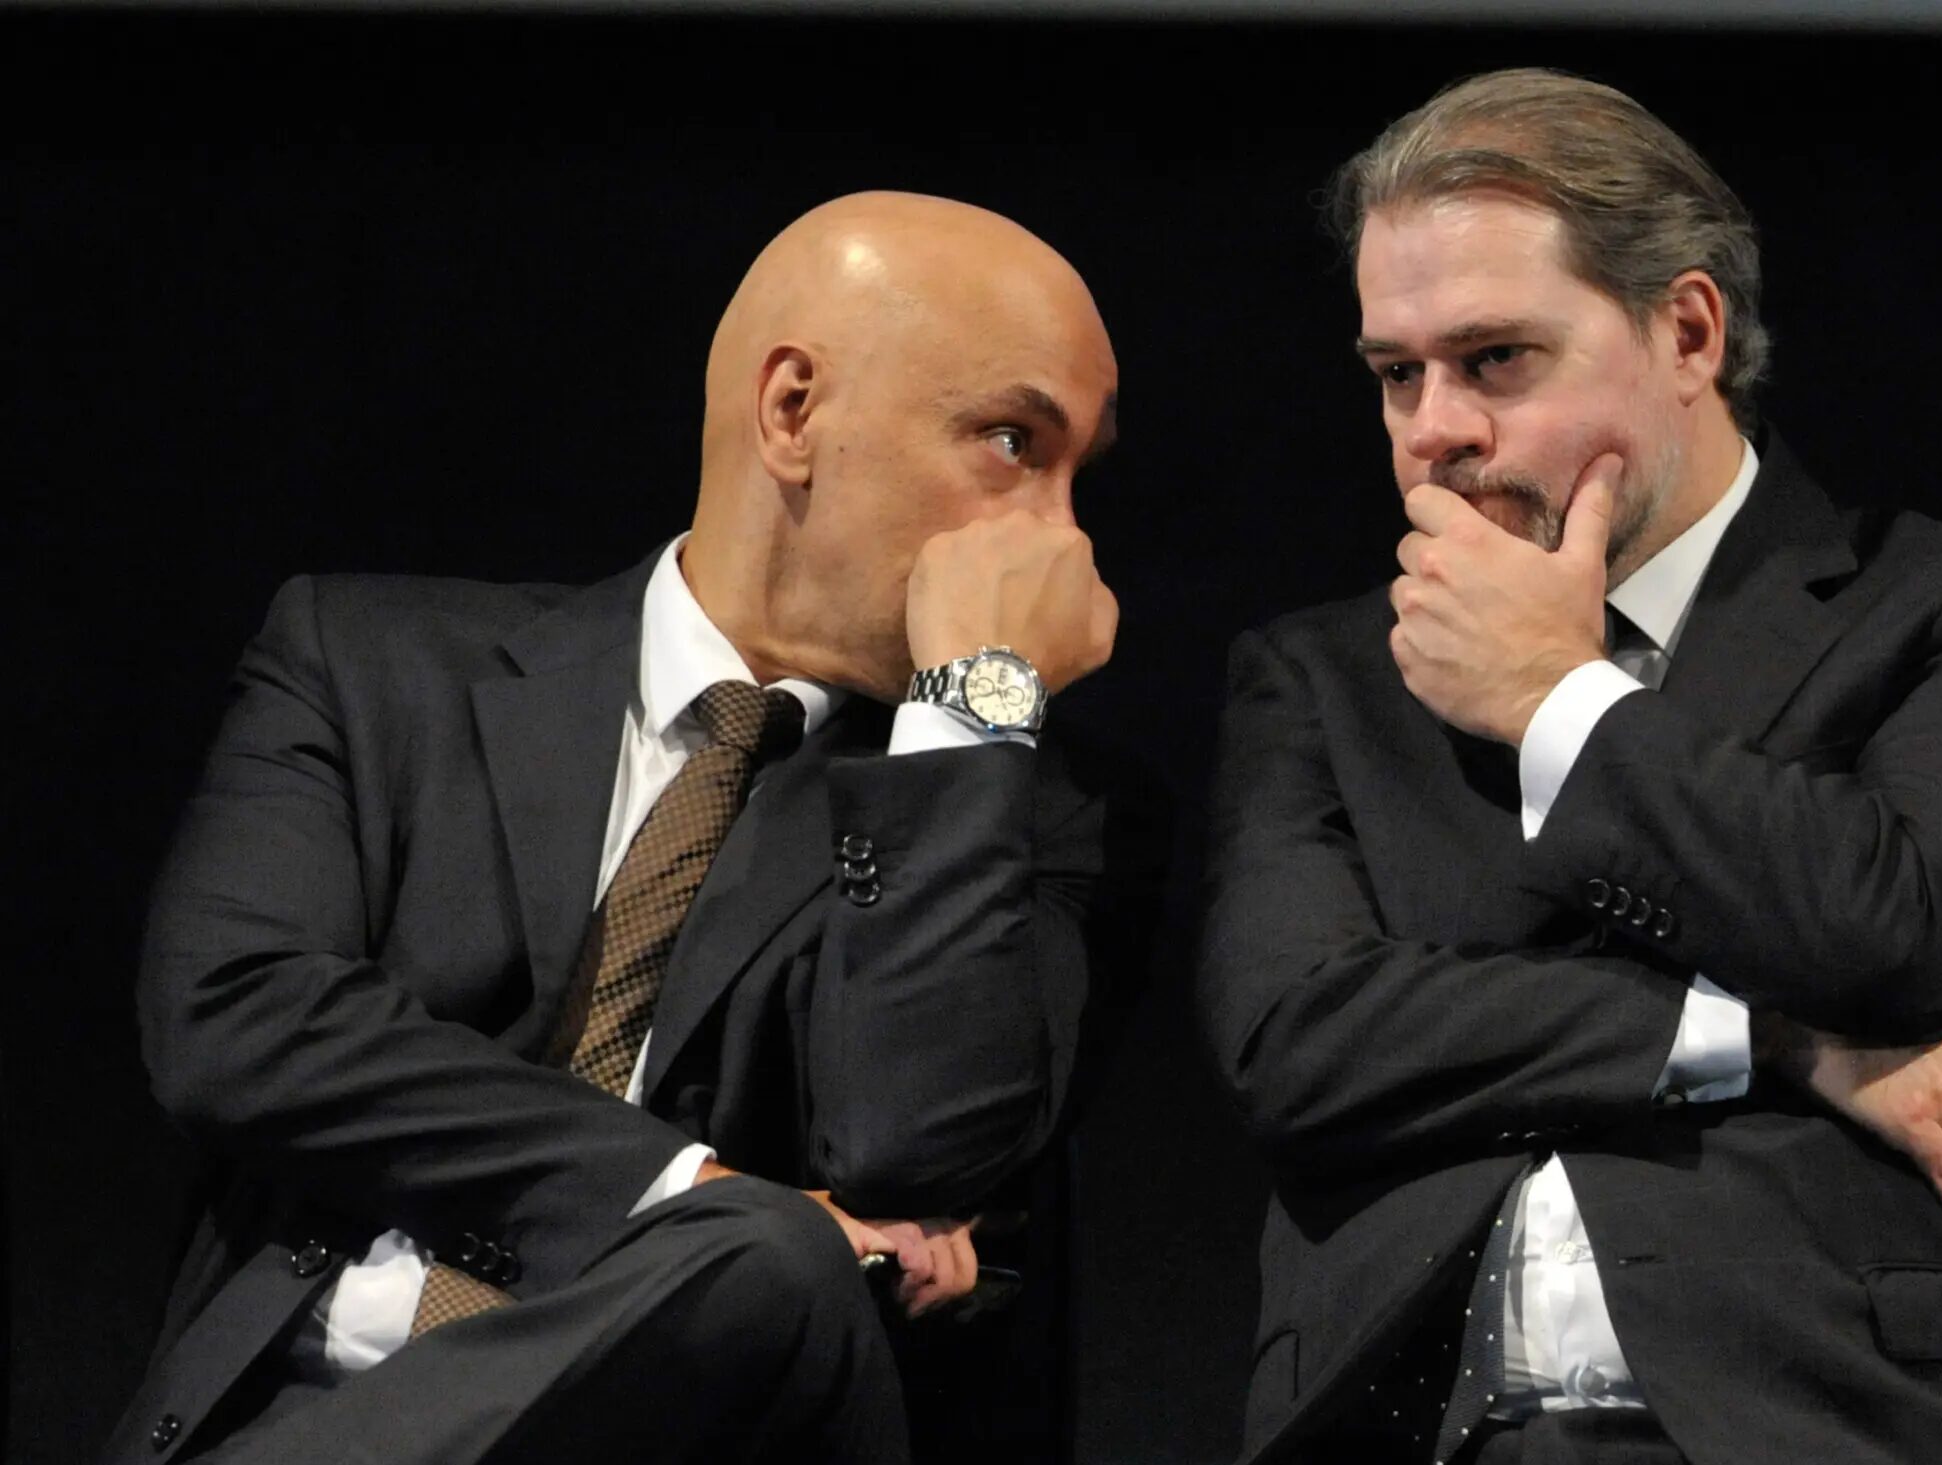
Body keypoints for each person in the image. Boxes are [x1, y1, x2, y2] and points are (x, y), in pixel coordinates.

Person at [107, 191, 1158, 1465]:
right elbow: (236, 1016)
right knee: (764, 1236)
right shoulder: (375, 663)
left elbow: (916, 1160)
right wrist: (683, 1192)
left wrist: (973, 711)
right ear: (793, 411)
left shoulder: (1027, 807)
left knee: (774, 1265)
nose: (1058, 537)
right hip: (313, 1417)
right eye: (1009, 441)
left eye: (1077, 473)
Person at [1200, 69, 1942, 1464]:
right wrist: (1775, 1039)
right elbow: (1297, 1043)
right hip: (1404, 1419)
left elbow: (1896, 928)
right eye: (1396, 374)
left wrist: (1555, 700)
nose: (1433, 428)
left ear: (1688, 330)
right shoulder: (1324, 678)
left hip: (1822, 1415)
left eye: (1495, 359)